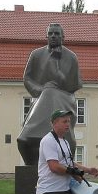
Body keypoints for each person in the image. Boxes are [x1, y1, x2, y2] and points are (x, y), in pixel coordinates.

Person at [16, 23, 82, 165]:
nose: (53, 36)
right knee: (48, 93)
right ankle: (30, 141)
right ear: (46, 36)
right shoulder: (36, 54)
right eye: (50, 33)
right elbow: (27, 78)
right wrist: (41, 89)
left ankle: (36, 133)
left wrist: (57, 69)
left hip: (64, 98)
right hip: (40, 97)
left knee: (52, 93)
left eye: (56, 34)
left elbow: (74, 85)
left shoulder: (71, 57)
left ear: (63, 37)